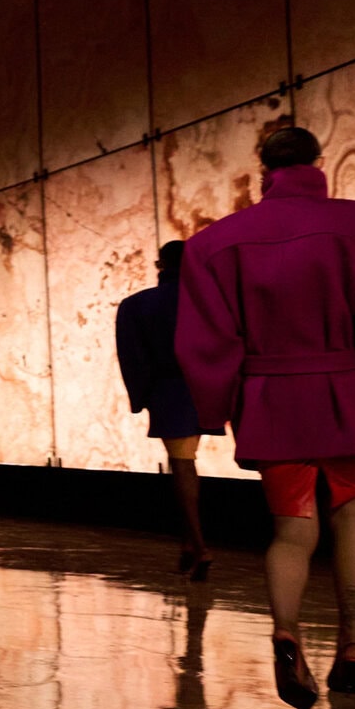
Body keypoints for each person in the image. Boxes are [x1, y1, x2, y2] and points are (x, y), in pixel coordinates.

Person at [177, 125, 355, 709]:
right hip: (349, 394)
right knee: (353, 516)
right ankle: (354, 646)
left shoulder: (214, 244)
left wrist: (218, 408)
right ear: (319, 163)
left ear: (264, 171)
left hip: (271, 400)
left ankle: (287, 636)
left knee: (291, 531)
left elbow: (205, 344)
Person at [117, 241, 217, 580]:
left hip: (169, 391)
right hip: (204, 388)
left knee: (182, 465)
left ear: (160, 264)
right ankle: (188, 544)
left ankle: (200, 547)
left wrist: (139, 397)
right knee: (186, 462)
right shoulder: (209, 301)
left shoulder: (137, 305)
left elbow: (133, 357)